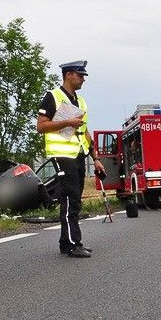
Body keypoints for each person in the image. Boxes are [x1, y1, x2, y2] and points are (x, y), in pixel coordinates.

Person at [36, 60, 105, 258]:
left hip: (78, 155)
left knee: (73, 199)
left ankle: (66, 243)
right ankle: (74, 244)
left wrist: (95, 158)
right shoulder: (53, 96)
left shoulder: (80, 101)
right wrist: (67, 122)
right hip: (62, 155)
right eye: (80, 75)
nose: (83, 79)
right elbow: (41, 126)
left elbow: (84, 132)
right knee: (71, 196)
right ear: (68, 75)